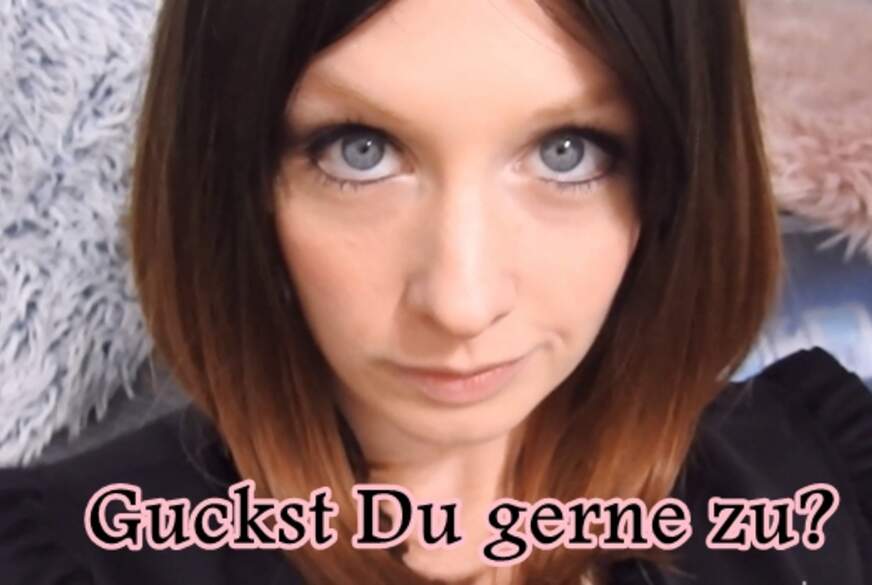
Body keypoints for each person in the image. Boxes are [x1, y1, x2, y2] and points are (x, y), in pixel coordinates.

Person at [1, 0, 870, 584]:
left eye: (568, 151)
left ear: (678, 173)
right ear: (235, 175)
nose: (461, 302)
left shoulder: (820, 484)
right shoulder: (80, 553)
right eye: (359, 151)